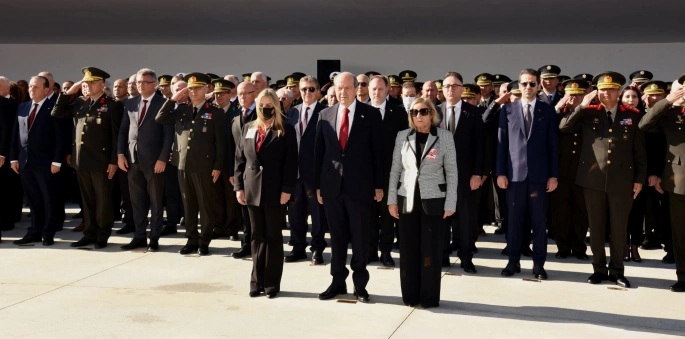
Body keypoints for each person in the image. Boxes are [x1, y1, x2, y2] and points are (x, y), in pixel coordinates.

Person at [559, 72, 647, 288]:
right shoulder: (588, 113)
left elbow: (639, 151)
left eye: (611, 89)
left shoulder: (633, 115)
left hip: (622, 180)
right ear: (597, 91)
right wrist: (581, 105)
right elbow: (564, 127)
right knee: (596, 227)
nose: (607, 93)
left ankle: (617, 270)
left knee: (619, 228)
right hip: (592, 180)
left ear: (619, 92)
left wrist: (639, 178)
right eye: (603, 89)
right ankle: (598, 269)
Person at [314, 72, 383, 303]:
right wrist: (317, 186)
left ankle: (360, 285)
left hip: (360, 188)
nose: (342, 93)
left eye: (347, 88)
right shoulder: (324, 115)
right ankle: (337, 281)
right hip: (332, 188)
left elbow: (378, 153)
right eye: (338, 88)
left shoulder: (371, 115)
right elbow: (319, 154)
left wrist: (379, 185)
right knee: (337, 238)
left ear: (356, 89)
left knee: (360, 238)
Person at [387, 97, 457, 308]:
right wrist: (392, 200)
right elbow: (395, 170)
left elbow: (452, 171)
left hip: (434, 200)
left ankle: (428, 297)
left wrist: (450, 202)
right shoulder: (402, 136)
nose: (419, 116)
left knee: (431, 251)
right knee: (408, 251)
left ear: (432, 114)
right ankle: (410, 296)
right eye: (414, 112)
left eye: (423, 111)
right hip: (407, 199)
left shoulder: (444, 136)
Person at [51, 67, 123, 249]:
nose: (87, 86)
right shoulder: (80, 103)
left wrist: (114, 160)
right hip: (81, 160)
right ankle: (89, 233)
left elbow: (117, 134)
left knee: (103, 201)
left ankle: (102, 234)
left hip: (102, 161)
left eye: (91, 83)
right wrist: (71, 91)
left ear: (101, 84)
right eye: (85, 83)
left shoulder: (112, 105)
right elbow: (57, 112)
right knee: (88, 200)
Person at [497, 68, 559, 280]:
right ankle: (513, 261)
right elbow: (501, 144)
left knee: (539, 223)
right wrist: (500, 172)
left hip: (540, 178)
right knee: (514, 222)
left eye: (532, 83)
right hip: (514, 177)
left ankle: (539, 264)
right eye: (524, 84)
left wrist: (553, 175)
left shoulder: (547, 111)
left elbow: (553, 146)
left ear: (538, 85)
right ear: (519, 86)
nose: (528, 87)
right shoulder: (507, 110)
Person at [235, 89, 297, 298]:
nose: (265, 109)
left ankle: (271, 284)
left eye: (270, 106)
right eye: (262, 105)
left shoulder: (286, 130)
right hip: (251, 190)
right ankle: (256, 281)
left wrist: (287, 190)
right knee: (256, 237)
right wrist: (239, 188)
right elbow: (239, 161)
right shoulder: (248, 129)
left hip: (275, 191)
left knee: (273, 237)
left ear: (276, 108)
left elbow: (291, 164)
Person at [155, 72, 226, 256]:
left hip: (205, 166)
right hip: (183, 165)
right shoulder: (181, 109)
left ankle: (204, 241)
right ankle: (191, 239)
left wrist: (218, 166)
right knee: (189, 205)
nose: (194, 92)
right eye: (191, 88)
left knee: (206, 206)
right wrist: (174, 98)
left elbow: (221, 142)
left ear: (206, 89)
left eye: (197, 88)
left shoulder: (215, 112)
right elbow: (160, 118)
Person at [117, 68, 174, 252]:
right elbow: (124, 130)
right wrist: (120, 154)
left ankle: (154, 237)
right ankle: (139, 235)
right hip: (133, 159)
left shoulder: (163, 103)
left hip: (154, 160)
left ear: (154, 84)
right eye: (138, 82)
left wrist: (163, 158)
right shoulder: (131, 103)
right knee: (137, 200)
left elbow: (168, 134)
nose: (140, 85)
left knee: (156, 201)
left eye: (144, 82)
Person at [10, 76, 69, 246]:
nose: (32, 89)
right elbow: (16, 135)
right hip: (25, 163)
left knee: (48, 199)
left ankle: (48, 232)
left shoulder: (54, 108)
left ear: (46, 89)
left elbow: (61, 138)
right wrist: (14, 158)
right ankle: (34, 231)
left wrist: (57, 161)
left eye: (36, 87)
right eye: (30, 87)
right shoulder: (23, 107)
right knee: (33, 200)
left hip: (47, 163)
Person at [638, 78, 685, 292]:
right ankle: (683, 276)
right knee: (680, 232)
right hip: (678, 182)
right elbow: (645, 123)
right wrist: (668, 100)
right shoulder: (671, 114)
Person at [438, 72, 484, 273]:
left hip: (465, 177)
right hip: (438, 177)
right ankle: (442, 255)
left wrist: (478, 174)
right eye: (447, 86)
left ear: (462, 89)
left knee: (465, 220)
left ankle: (466, 257)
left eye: (455, 86)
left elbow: (481, 147)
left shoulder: (473, 113)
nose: (450, 89)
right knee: (441, 219)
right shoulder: (433, 112)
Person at [285, 76, 328, 264]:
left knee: (317, 214)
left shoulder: (326, 112)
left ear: (318, 92)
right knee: (295, 212)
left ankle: (317, 249)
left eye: (311, 89)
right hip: (295, 173)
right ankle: (298, 247)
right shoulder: (292, 112)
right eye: (304, 89)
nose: (307, 93)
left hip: (315, 174)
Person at [367, 75, 409, 267]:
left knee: (387, 216)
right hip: (365, 175)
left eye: (380, 89)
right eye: (373, 89)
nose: (376, 93)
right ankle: (369, 251)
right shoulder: (360, 111)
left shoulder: (399, 113)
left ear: (388, 90)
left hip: (391, 174)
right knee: (367, 216)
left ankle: (385, 252)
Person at [551, 79, 590, 260]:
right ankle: (563, 247)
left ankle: (579, 247)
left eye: (578, 95)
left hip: (583, 172)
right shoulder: (557, 114)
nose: (574, 98)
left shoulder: (589, 114)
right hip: (561, 172)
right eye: (570, 95)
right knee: (561, 212)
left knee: (581, 213)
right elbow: (560, 127)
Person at [638, 80, 673, 263]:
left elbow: (664, 148)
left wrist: (659, 173)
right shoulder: (643, 116)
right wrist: (652, 172)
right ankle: (650, 237)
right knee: (648, 208)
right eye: (650, 95)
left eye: (657, 95)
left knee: (668, 212)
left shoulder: (670, 115)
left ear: (664, 96)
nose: (653, 98)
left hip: (667, 171)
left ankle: (669, 247)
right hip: (647, 170)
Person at [231, 81, 258, 259]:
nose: (242, 97)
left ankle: (257, 245)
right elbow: (230, 148)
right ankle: (247, 244)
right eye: (240, 94)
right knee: (244, 212)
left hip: (258, 174)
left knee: (256, 214)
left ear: (254, 93)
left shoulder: (261, 113)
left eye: (246, 93)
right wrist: (233, 173)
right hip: (241, 173)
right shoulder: (234, 116)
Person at [211, 79, 241, 241]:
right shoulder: (210, 112)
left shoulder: (237, 113)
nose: (219, 96)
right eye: (216, 93)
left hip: (230, 162)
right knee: (216, 196)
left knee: (231, 198)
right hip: (214, 162)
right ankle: (218, 226)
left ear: (230, 94)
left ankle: (232, 228)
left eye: (222, 93)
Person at [620, 85, 647, 262]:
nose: (631, 100)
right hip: (620, 172)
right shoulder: (616, 117)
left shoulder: (645, 118)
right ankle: (622, 246)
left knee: (637, 212)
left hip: (640, 171)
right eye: (627, 97)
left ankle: (635, 247)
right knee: (620, 213)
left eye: (634, 97)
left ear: (640, 99)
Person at [0, 76, 20, 238]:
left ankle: (8, 220)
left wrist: (2, 153)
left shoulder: (13, 105)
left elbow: (7, 131)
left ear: (7, 89)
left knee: (7, 188)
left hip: (7, 155)